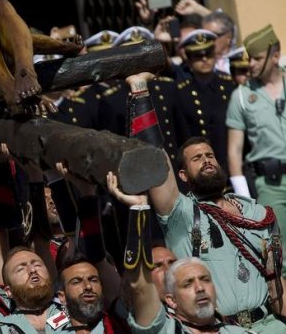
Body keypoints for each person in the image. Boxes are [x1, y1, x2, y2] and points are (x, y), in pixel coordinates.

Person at [108, 72, 286, 331]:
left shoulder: (257, 212)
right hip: (218, 328)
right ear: (183, 175)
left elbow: (277, 282)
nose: (206, 160)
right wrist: (140, 91)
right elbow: (158, 161)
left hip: (270, 325)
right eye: (197, 158)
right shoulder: (180, 212)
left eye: (210, 155)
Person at [226, 24, 286, 277]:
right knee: (278, 252)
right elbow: (234, 151)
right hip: (269, 184)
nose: (250, 63)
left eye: (257, 58)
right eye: (249, 58)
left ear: (275, 56)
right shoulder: (241, 96)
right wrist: (244, 197)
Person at [174, 29, 236, 172]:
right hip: (201, 169)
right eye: (198, 56)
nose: (204, 59)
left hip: (229, 163)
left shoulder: (229, 85)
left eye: (208, 54)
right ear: (188, 60)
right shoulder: (181, 91)